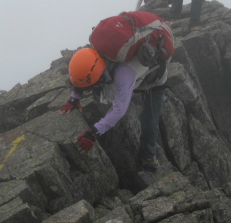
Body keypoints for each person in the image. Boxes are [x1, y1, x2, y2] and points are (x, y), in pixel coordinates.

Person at [58, 39, 170, 171]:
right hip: (134, 77)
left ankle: (148, 156)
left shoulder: (124, 74)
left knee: (149, 120)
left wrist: (94, 132)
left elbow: (119, 110)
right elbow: (83, 74)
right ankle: (128, 93)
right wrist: (74, 99)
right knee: (118, 91)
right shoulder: (94, 55)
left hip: (155, 81)